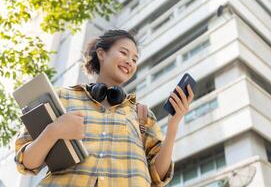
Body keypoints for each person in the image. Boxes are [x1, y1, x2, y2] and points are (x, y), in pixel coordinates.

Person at [14, 29, 194, 186]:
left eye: (134, 58)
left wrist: (173, 126)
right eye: (124, 53)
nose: (130, 61)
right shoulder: (62, 97)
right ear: (101, 53)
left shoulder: (142, 115)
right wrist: (54, 131)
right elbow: (26, 163)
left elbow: (158, 176)